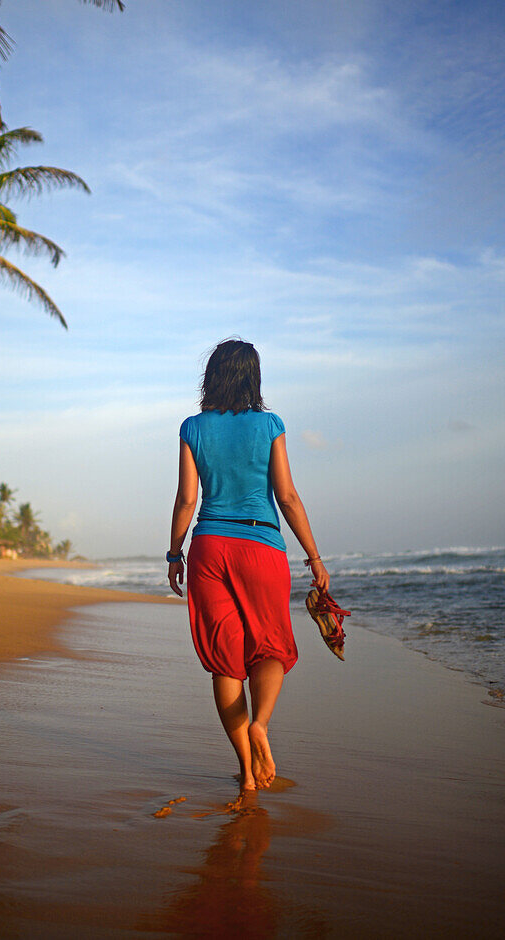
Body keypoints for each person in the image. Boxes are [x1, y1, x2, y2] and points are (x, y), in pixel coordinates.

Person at [167, 339, 331, 792]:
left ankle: (246, 770)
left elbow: (187, 499)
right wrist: (314, 556)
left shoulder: (192, 428)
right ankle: (261, 725)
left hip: (209, 547)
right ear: (252, 378)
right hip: (261, 545)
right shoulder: (270, 425)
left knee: (226, 661)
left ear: (212, 375)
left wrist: (173, 552)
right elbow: (288, 497)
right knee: (271, 647)